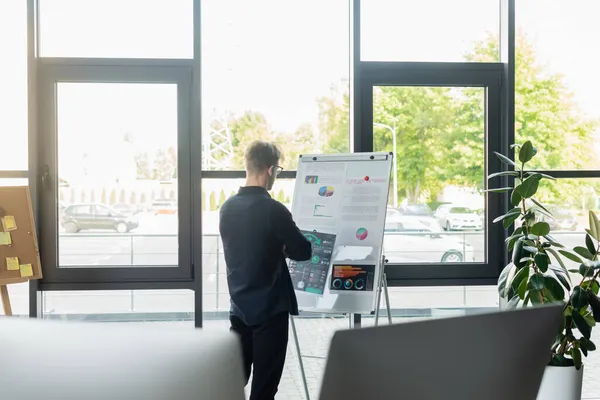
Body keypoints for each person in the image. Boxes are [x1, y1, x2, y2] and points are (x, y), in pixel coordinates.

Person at [219, 140, 312, 400]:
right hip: (269, 313)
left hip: (238, 310)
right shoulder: (273, 210)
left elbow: (245, 250)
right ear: (271, 170)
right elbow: (303, 250)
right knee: (264, 388)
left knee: (232, 382)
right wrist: (280, 246)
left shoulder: (226, 209)